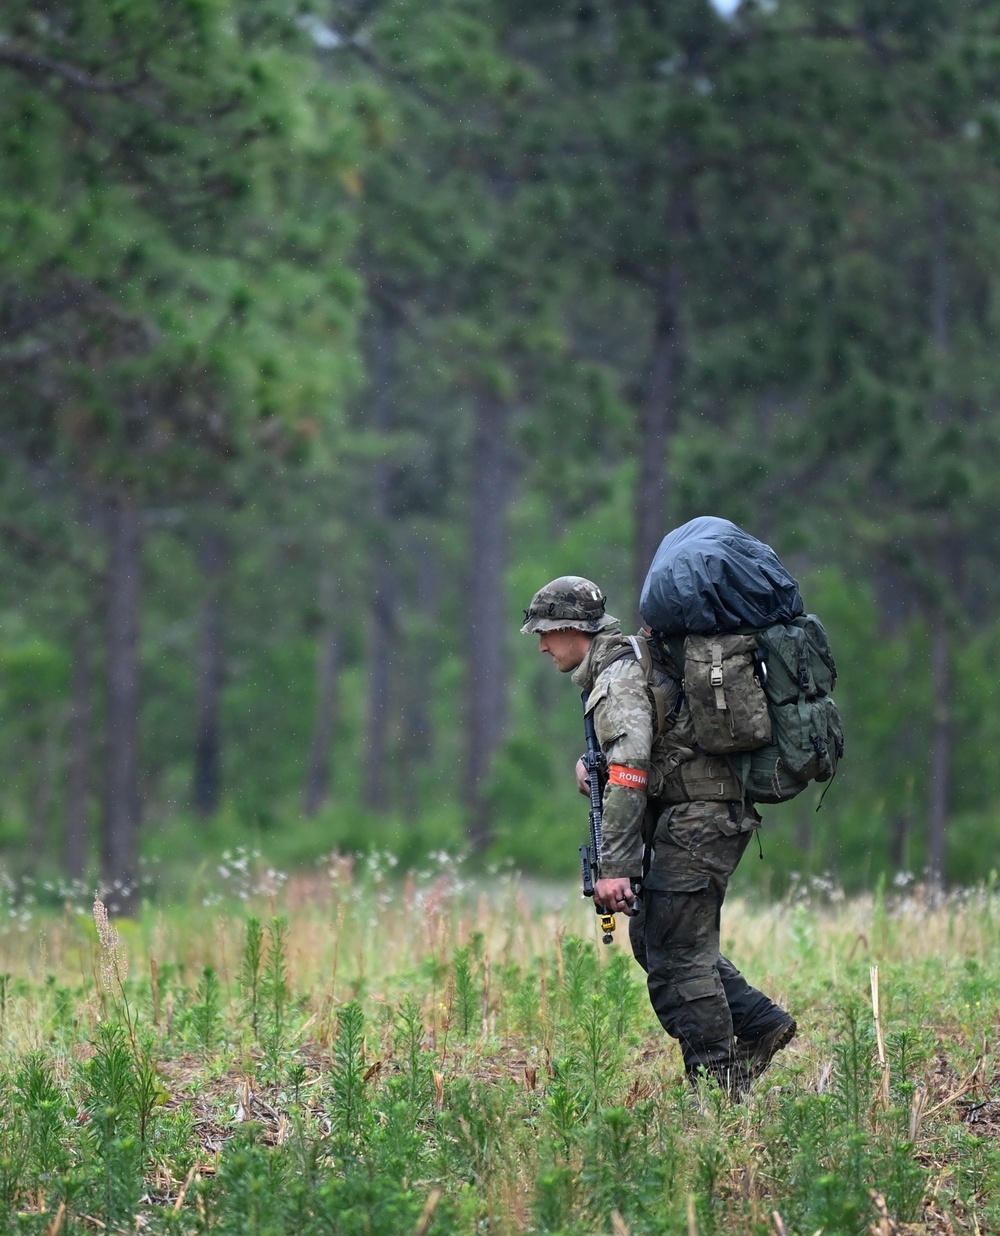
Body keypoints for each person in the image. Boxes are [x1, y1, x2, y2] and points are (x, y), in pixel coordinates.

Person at [521, 575, 796, 1096]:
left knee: (676, 956)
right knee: (657, 939)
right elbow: (643, 749)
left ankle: (716, 1089)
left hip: (699, 820)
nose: (541, 645)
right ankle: (759, 1023)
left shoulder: (616, 676)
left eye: (545, 632)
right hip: (698, 816)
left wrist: (614, 866)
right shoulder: (622, 665)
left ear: (572, 628)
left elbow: (630, 770)